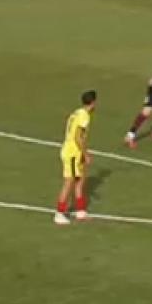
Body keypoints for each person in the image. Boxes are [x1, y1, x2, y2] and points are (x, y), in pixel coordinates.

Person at [55, 90, 97, 225]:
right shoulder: (84, 116)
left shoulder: (77, 113)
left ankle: (80, 211)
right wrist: (86, 154)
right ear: (93, 103)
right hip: (72, 153)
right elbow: (78, 137)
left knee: (80, 180)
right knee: (69, 182)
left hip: (73, 152)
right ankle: (59, 213)